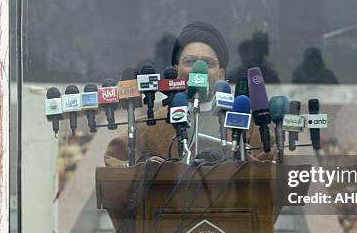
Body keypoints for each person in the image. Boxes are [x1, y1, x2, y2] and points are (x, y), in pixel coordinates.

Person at [105, 21, 270, 166]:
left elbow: (271, 166)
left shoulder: (247, 124)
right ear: (177, 70)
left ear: (221, 74)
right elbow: (114, 159)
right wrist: (147, 170)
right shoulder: (152, 125)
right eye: (190, 62)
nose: (199, 70)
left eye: (207, 63)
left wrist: (241, 163)